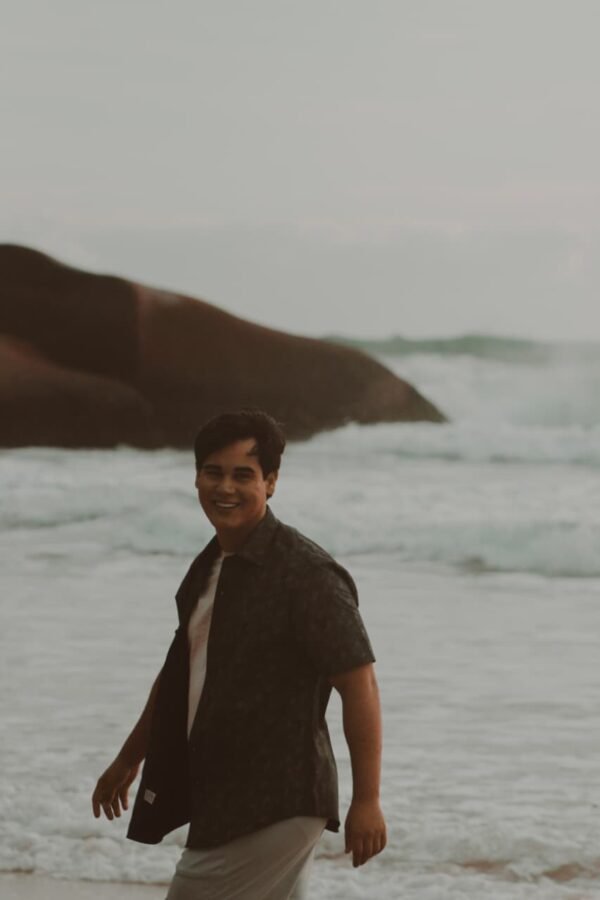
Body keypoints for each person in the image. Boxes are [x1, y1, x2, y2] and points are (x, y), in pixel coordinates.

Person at [92, 409, 386, 899]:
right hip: (223, 795)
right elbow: (181, 672)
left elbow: (361, 685)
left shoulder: (307, 574)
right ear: (196, 477)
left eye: (243, 475)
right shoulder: (209, 564)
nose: (225, 487)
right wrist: (128, 758)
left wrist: (368, 800)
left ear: (270, 482)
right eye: (213, 472)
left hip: (276, 800)